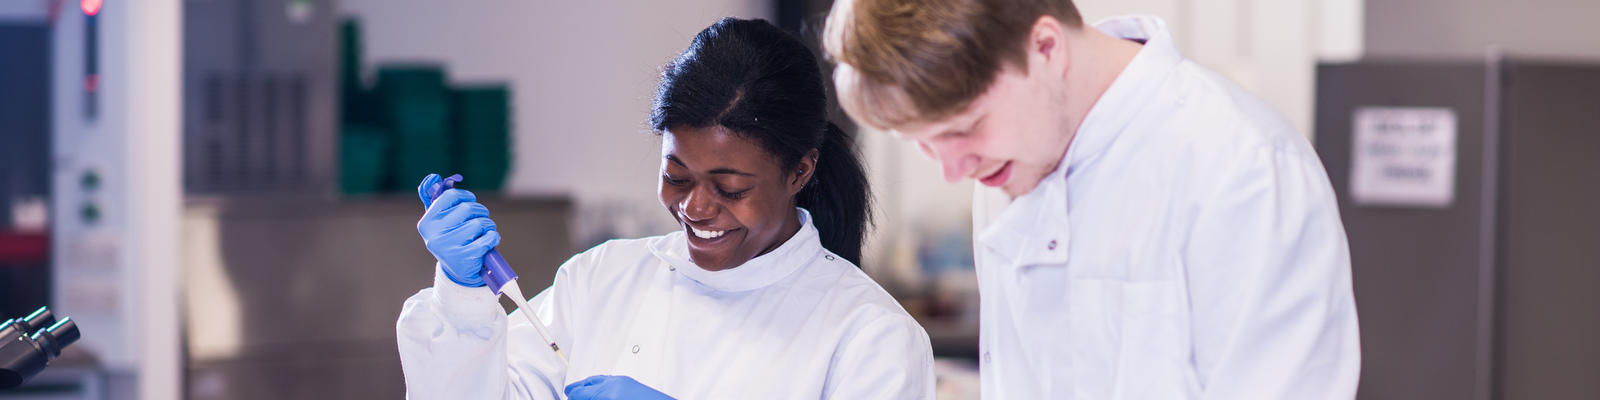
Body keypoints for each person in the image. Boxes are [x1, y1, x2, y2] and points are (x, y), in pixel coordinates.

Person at [822, 0, 1361, 398]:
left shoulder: (1241, 167)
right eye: (923, 142)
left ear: (1047, 48)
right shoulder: (1009, 161)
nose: (953, 169)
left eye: (967, 127)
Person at [395, 17, 935, 400]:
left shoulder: (869, 335)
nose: (696, 207)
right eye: (677, 177)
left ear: (800, 171)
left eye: (729, 187)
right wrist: (463, 298)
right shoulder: (602, 281)